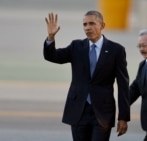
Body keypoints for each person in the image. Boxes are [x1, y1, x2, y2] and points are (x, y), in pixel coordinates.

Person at [43, 10, 130, 141]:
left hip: (102, 113)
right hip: (79, 110)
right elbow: (52, 56)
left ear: (102, 25)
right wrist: (50, 37)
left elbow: (123, 85)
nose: (87, 28)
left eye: (92, 24)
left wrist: (123, 117)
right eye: (85, 24)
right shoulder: (77, 46)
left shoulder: (116, 50)